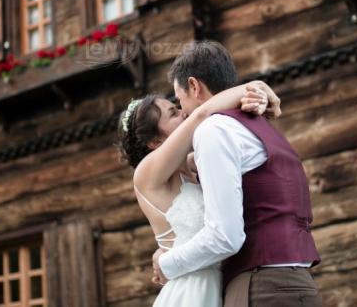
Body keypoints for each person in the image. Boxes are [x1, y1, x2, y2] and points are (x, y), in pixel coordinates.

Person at [152, 40, 322, 307]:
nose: (183, 111)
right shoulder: (259, 126)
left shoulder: (213, 130)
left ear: (194, 86)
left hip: (262, 286)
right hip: (298, 282)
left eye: (179, 98)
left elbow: (225, 237)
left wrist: (167, 263)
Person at [117, 79, 280, 307]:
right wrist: (255, 85)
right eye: (173, 113)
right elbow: (202, 115)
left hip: (226, 285)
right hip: (191, 292)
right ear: (154, 141)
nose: (184, 113)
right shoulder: (146, 175)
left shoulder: (194, 164)